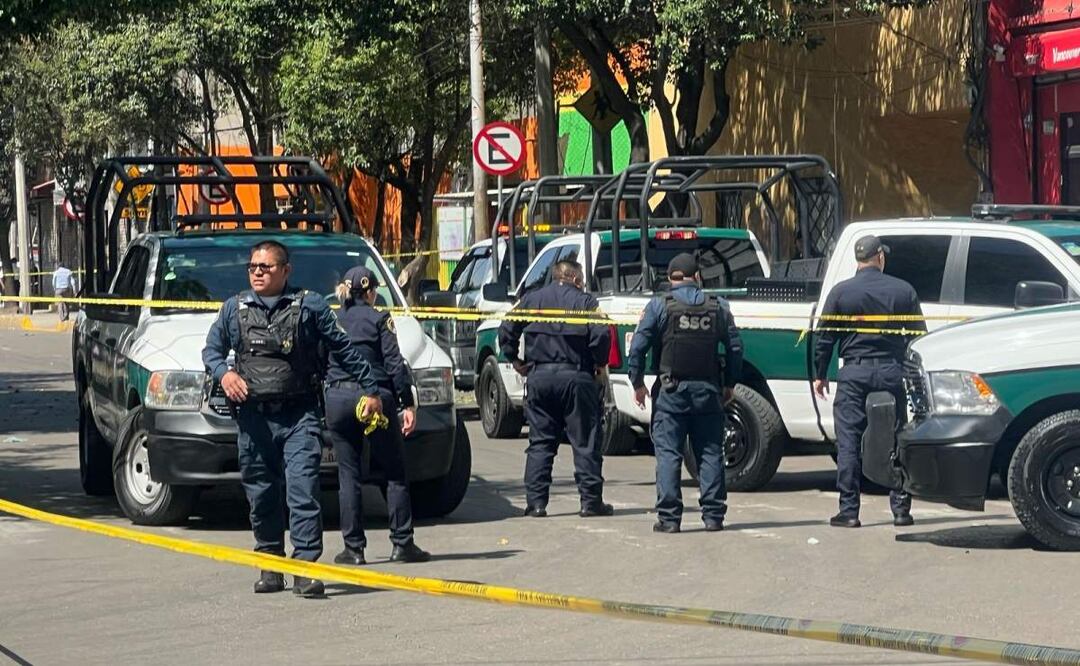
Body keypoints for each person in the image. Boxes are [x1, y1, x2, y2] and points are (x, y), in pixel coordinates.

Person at [202, 240, 384, 597]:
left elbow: (343, 349)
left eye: (265, 267)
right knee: (262, 494)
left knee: (303, 493)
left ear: (286, 271)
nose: (257, 272)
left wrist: (372, 389)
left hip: (299, 415)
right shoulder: (233, 309)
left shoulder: (310, 306)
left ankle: (304, 570)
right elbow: (211, 350)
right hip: (254, 420)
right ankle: (271, 565)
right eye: (253, 266)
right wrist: (224, 373)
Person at [813, 235, 924, 528]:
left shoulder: (841, 292)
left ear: (858, 260)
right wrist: (914, 377)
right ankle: (901, 510)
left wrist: (820, 374)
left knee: (848, 440)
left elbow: (824, 338)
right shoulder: (903, 290)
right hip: (892, 371)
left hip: (854, 373)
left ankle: (849, 511)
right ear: (880, 257)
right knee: (896, 438)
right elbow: (918, 338)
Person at [627, 253, 743, 534]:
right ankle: (713, 517)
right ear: (698, 277)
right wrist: (730, 383)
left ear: (670, 278)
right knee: (710, 453)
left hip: (671, 391)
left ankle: (669, 519)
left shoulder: (659, 306)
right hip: (708, 390)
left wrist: (637, 382)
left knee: (668, 454)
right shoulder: (718, 306)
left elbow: (638, 347)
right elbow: (736, 348)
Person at [324, 266, 431, 566]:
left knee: (349, 475)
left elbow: (321, 360)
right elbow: (395, 365)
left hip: (338, 398)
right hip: (374, 398)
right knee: (394, 472)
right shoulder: (380, 319)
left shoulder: (334, 321)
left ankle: (353, 549)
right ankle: (402, 543)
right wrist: (407, 403)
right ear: (370, 292)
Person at [498, 260, 613, 518]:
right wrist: (599, 363)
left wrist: (514, 359)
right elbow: (602, 335)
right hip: (576, 377)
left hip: (540, 377)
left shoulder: (531, 299)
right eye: (581, 280)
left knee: (540, 443)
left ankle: (536, 504)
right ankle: (590, 502)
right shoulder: (585, 302)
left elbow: (506, 328)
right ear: (574, 278)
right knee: (585, 441)